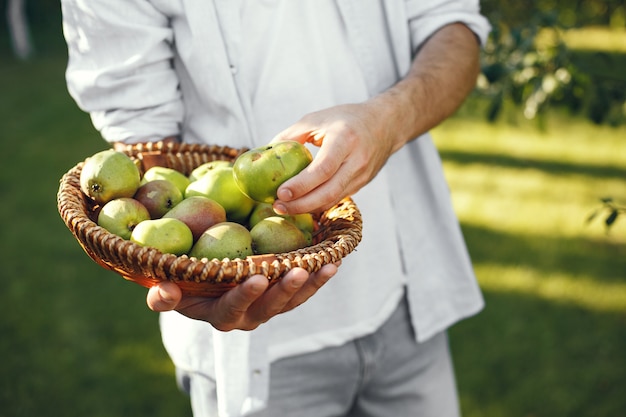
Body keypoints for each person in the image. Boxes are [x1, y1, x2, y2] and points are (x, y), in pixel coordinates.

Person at [61, 1, 491, 416]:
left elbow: (451, 27)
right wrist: (192, 274)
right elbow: (144, 140)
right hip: (256, 354)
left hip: (403, 299)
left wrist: (391, 119)